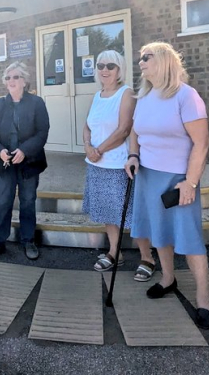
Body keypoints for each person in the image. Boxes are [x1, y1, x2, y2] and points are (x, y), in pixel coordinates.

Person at [125, 42, 209, 329]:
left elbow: (202, 142)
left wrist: (190, 182)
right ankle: (168, 279)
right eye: (140, 58)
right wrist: (133, 155)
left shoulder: (186, 96)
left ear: (164, 60)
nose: (141, 63)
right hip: (148, 175)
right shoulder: (144, 96)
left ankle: (203, 298)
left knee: (188, 237)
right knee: (158, 231)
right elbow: (135, 132)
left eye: (146, 57)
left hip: (178, 179)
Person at [82, 50, 154, 274]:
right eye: (100, 65)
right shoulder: (98, 95)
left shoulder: (126, 93)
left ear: (119, 69)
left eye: (110, 66)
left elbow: (124, 129)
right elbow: (87, 126)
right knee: (107, 212)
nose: (105, 70)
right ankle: (115, 252)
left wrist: (99, 149)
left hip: (117, 165)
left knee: (130, 213)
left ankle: (147, 257)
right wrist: (88, 148)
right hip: (96, 164)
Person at [0, 62, 50, 260]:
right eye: (8, 77)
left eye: (16, 77)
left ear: (25, 81)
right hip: (5, 164)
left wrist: (25, 150)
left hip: (29, 163)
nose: (11, 81)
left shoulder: (37, 103)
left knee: (28, 202)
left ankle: (28, 241)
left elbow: (42, 132)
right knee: (3, 202)